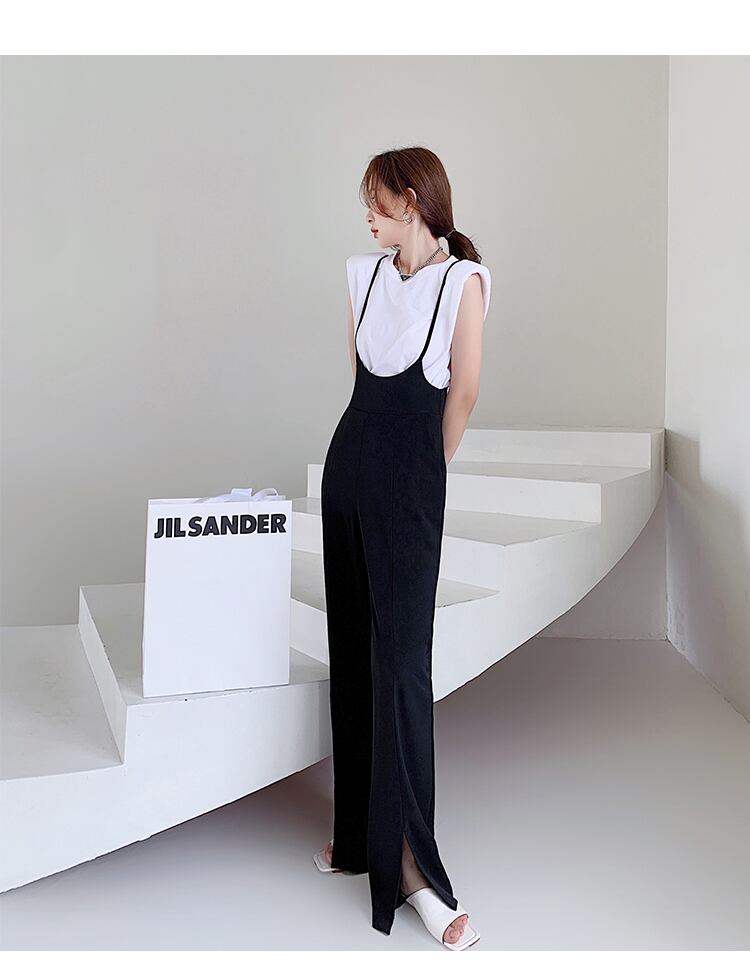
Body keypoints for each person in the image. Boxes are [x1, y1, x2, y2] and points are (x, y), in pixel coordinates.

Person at [314, 146, 491, 950]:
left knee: (402, 667)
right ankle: (359, 836)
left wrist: (426, 471)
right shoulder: (362, 275)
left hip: (411, 479)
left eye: (378, 201)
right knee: (355, 651)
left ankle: (415, 869)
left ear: (413, 200)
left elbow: (463, 393)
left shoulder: (464, 283)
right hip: (349, 471)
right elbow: (361, 382)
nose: (369, 215)